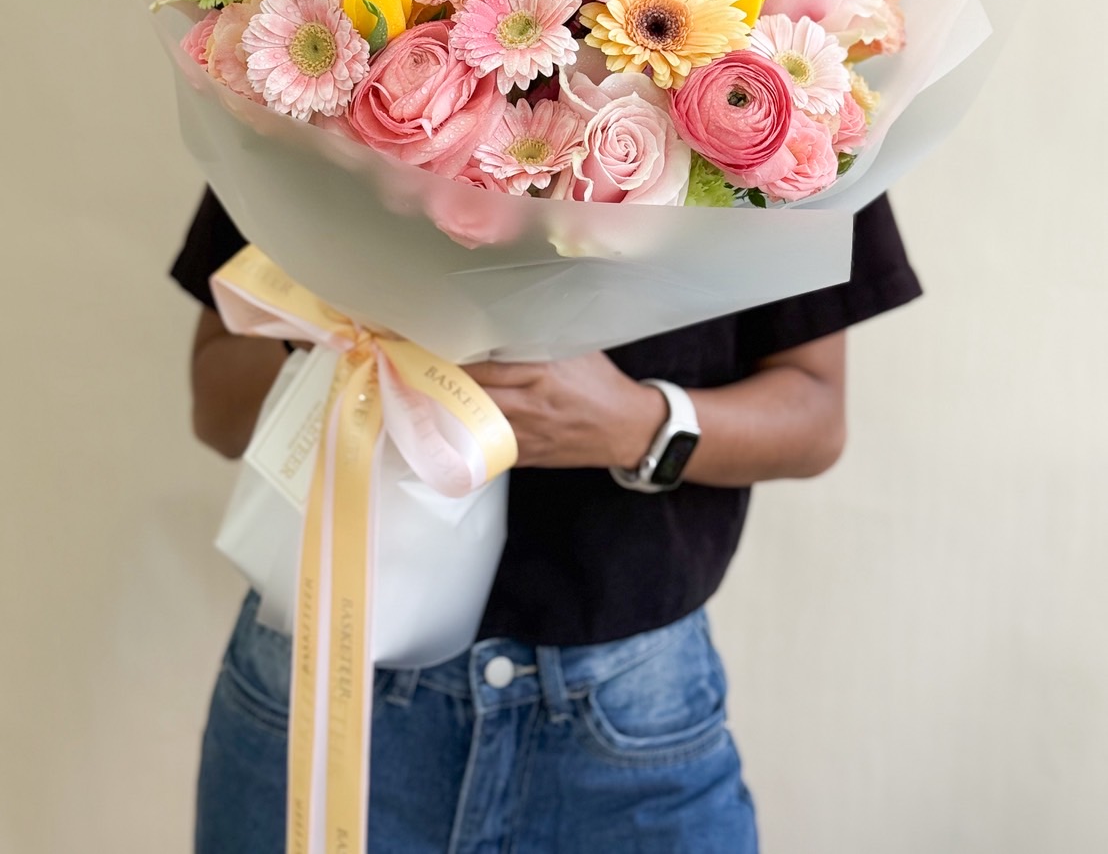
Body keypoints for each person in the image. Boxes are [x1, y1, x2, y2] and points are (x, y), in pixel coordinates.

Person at [173, 186, 921, 854]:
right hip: (327, 685)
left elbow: (816, 414)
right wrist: (344, 337)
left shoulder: (765, 87)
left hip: (630, 725)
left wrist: (638, 425)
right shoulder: (327, 66)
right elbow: (217, 406)